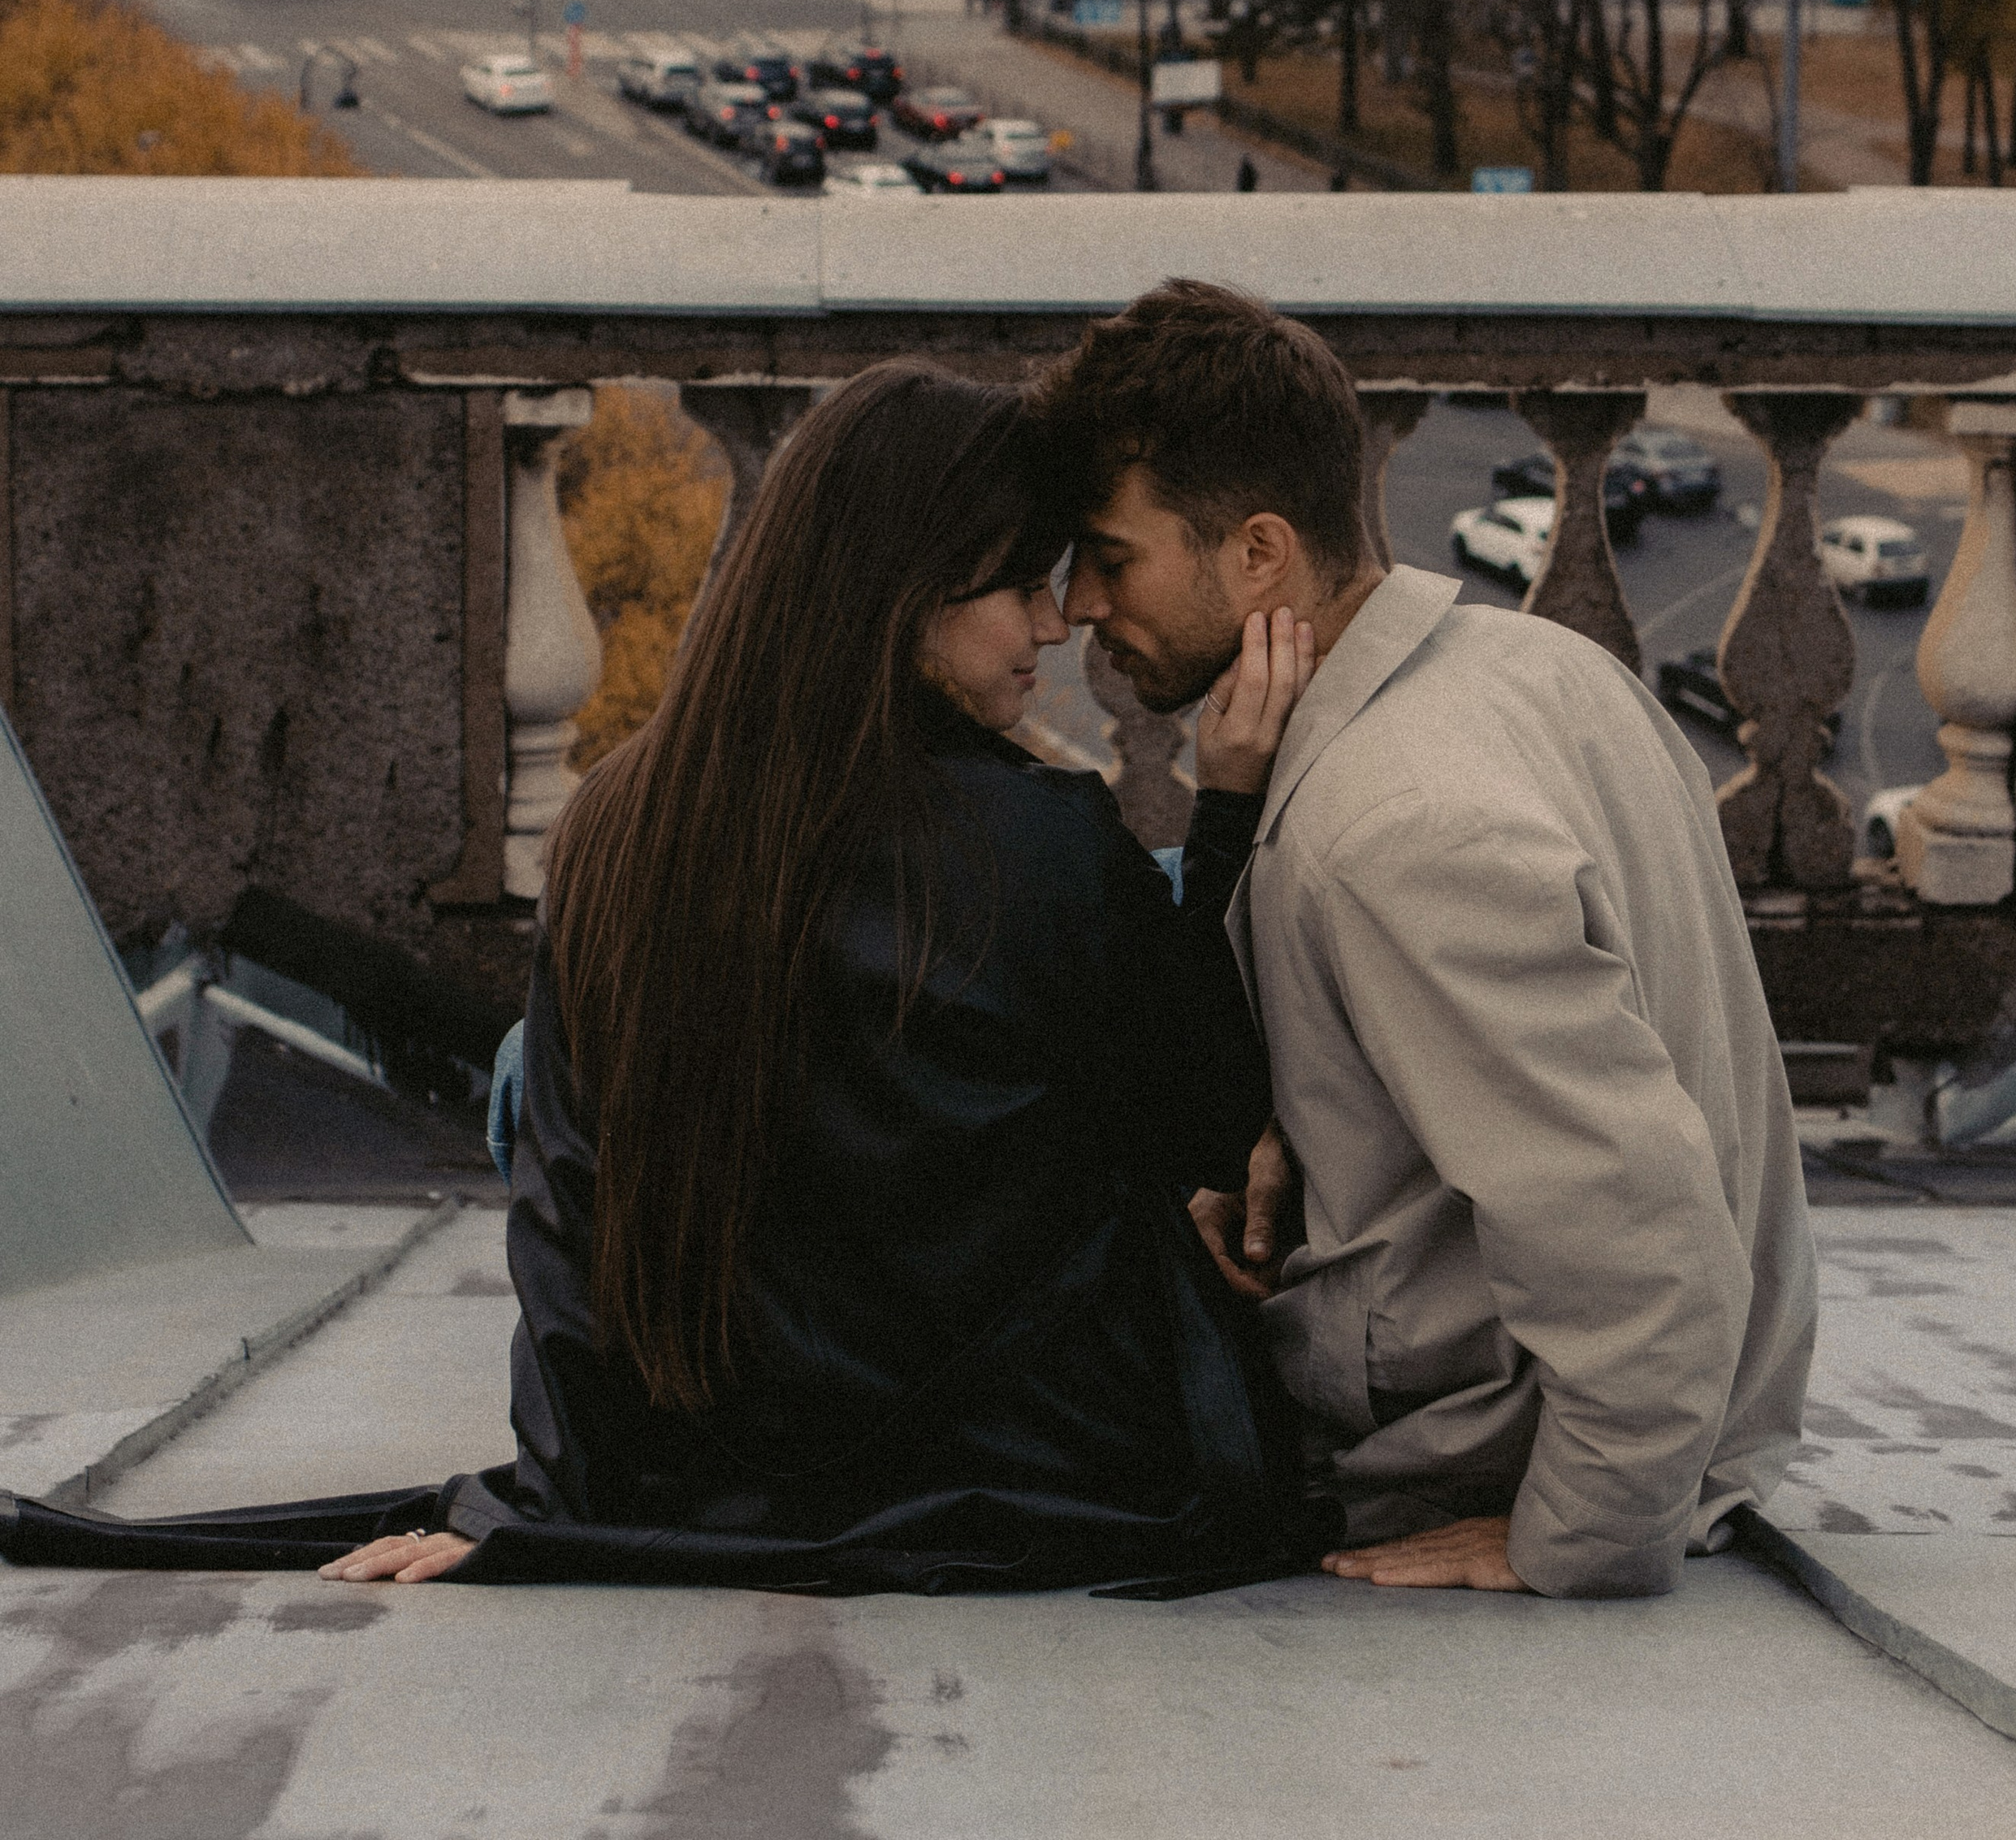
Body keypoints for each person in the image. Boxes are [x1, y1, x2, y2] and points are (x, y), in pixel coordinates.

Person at [5, 364, 1322, 1594]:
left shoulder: (625, 823)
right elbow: (1206, 1117)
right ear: (901, 594)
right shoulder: (1043, 844)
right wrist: (1227, 817)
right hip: (1048, 1486)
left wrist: (559, 1511)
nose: (1055, 621)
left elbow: (571, 1227)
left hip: (704, 1488)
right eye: (1016, 587)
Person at [1030, 281, 1815, 1603]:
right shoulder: (1543, 668)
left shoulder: (1394, 827)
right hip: (1613, 1418)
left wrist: (1582, 1533)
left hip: (1468, 1467)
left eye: (1112, 556)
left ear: (1260, 554)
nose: (1079, 606)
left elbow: (1634, 1217)